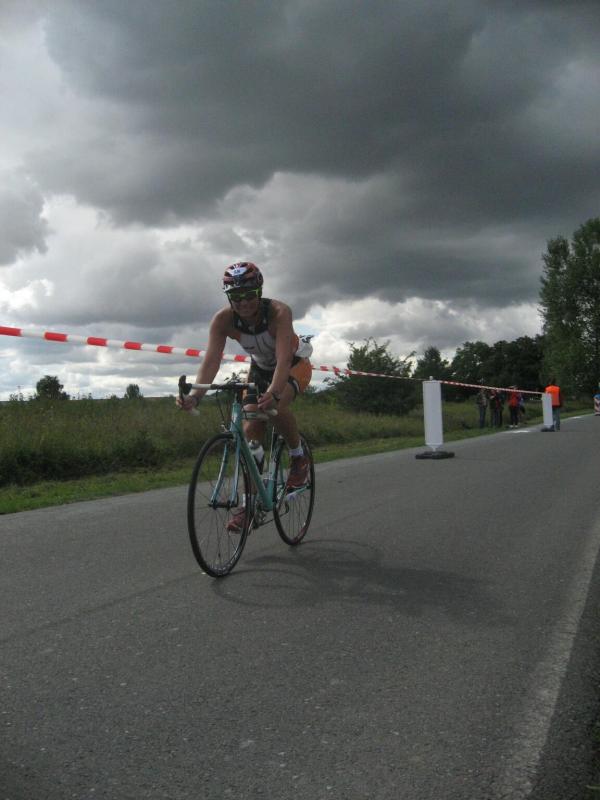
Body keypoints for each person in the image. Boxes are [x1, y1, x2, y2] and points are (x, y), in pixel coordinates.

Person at [177, 262, 313, 530]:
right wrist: (195, 395)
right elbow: (211, 361)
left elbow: (283, 359)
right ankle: (248, 504)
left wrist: (274, 393)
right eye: (236, 296)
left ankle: (299, 457)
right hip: (260, 368)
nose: (244, 302)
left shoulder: (279, 312)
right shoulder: (223, 320)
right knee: (251, 432)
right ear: (229, 297)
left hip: (294, 365)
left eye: (250, 294)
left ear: (259, 291)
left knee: (275, 407)